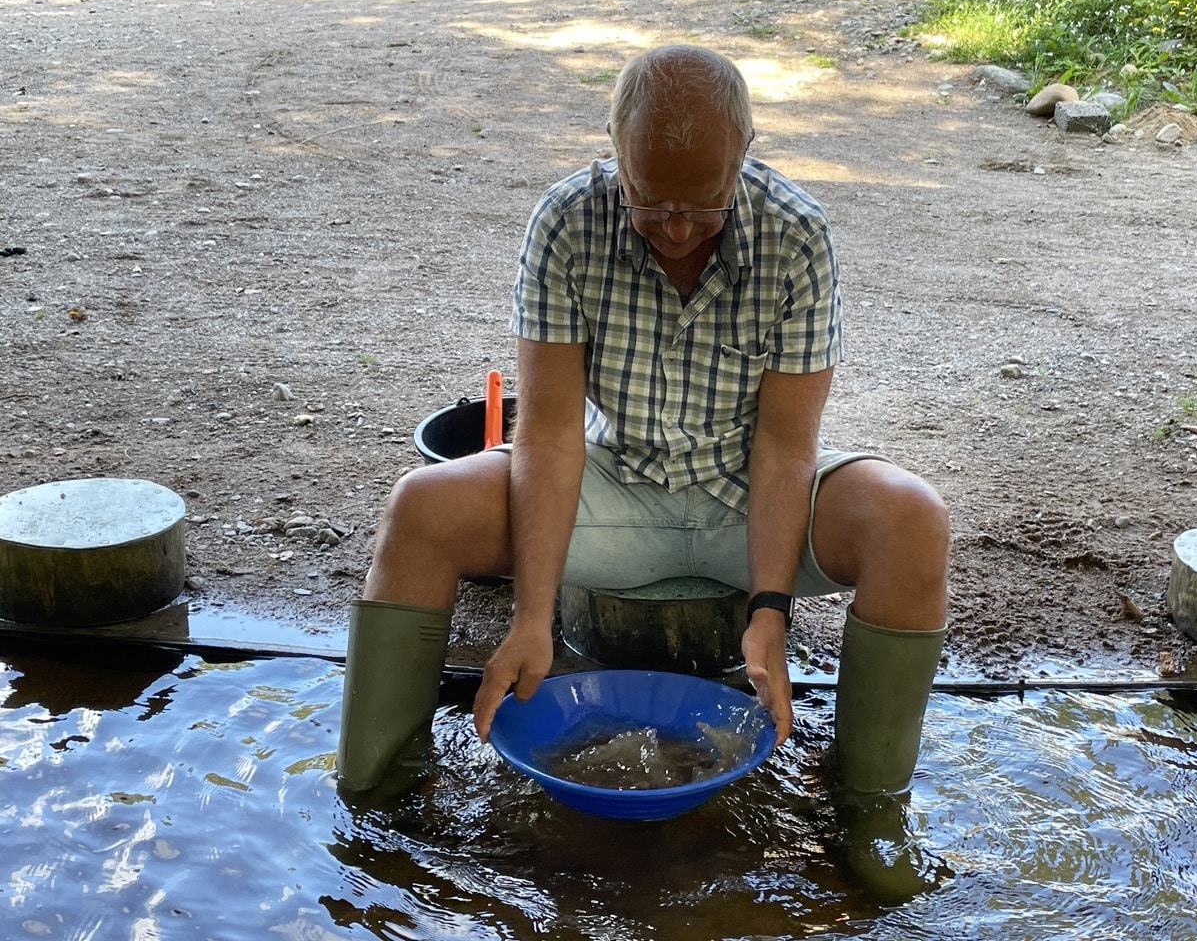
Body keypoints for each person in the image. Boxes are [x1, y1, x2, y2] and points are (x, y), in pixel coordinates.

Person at [337, 46, 949, 818]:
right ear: (615, 150)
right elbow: (551, 432)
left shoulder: (797, 236)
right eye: (649, 200)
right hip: (610, 485)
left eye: (707, 202)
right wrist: (532, 618)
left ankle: (868, 809)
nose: (679, 227)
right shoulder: (566, 221)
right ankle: (377, 796)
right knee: (420, 508)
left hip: (746, 493)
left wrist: (769, 613)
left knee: (912, 519)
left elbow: (786, 446)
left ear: (745, 156)